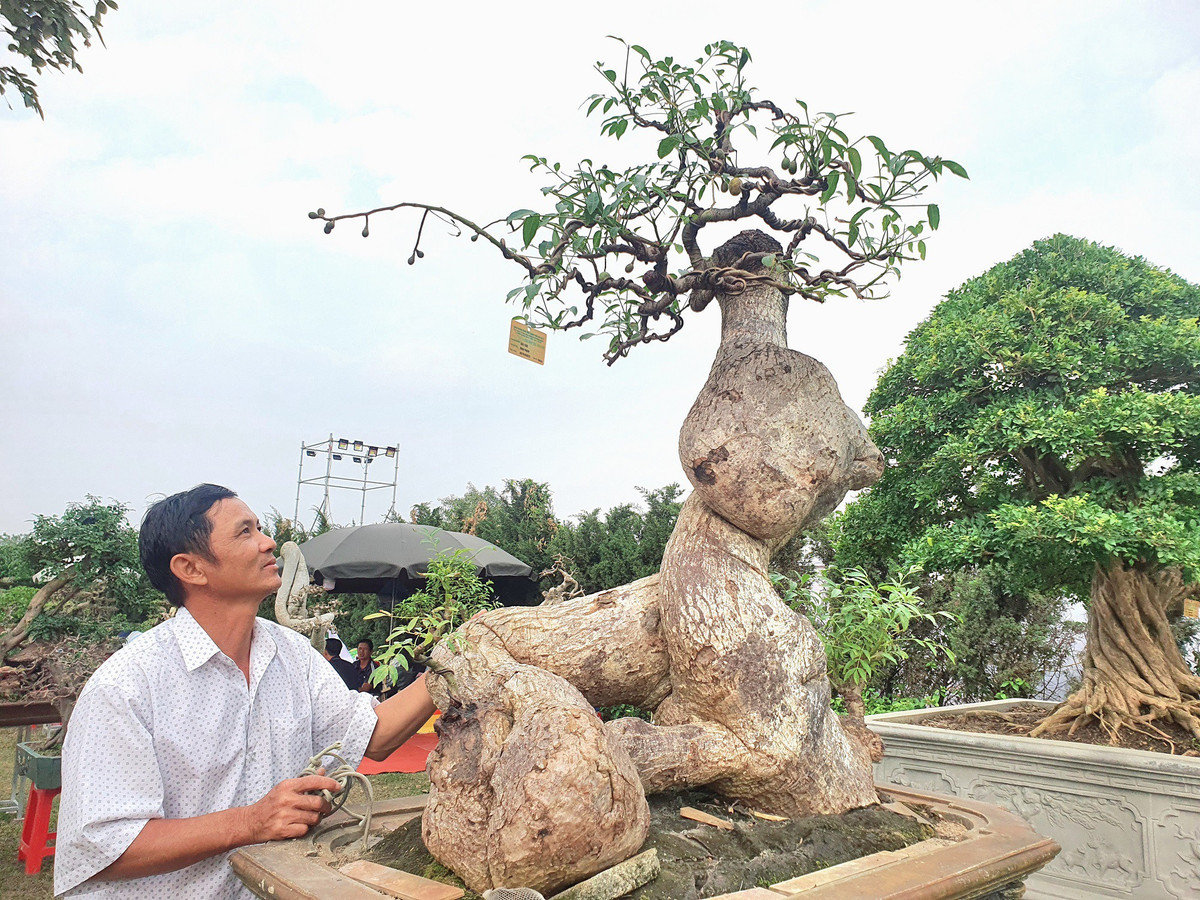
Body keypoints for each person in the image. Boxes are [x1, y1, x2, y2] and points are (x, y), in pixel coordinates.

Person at [54, 484, 438, 898]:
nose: (268, 542)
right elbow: (106, 848)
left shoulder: (292, 655)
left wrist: (462, 660)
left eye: (260, 528)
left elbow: (374, 735)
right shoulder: (127, 686)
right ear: (191, 569)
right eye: (245, 532)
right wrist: (252, 822)